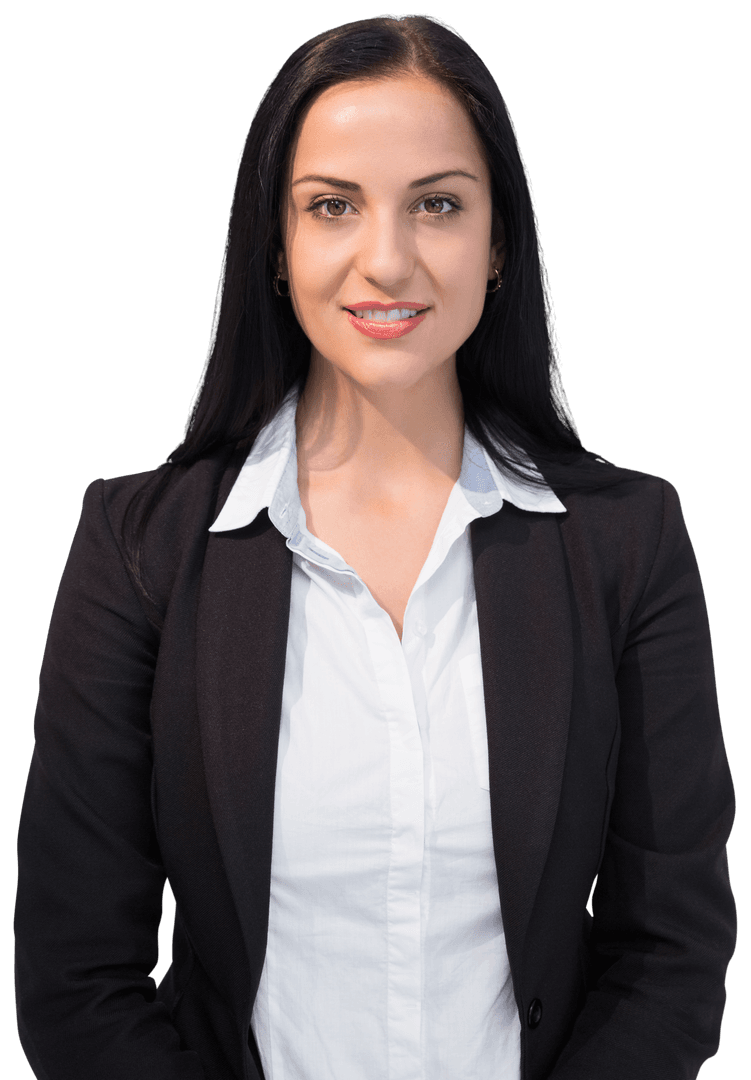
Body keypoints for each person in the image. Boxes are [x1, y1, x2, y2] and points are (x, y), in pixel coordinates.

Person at [14, 12, 736, 1080]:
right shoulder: (140, 546)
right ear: (276, 243)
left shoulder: (629, 540)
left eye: (437, 205)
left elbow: (671, 954)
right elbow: (76, 978)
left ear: (497, 244)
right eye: (331, 206)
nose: (386, 259)